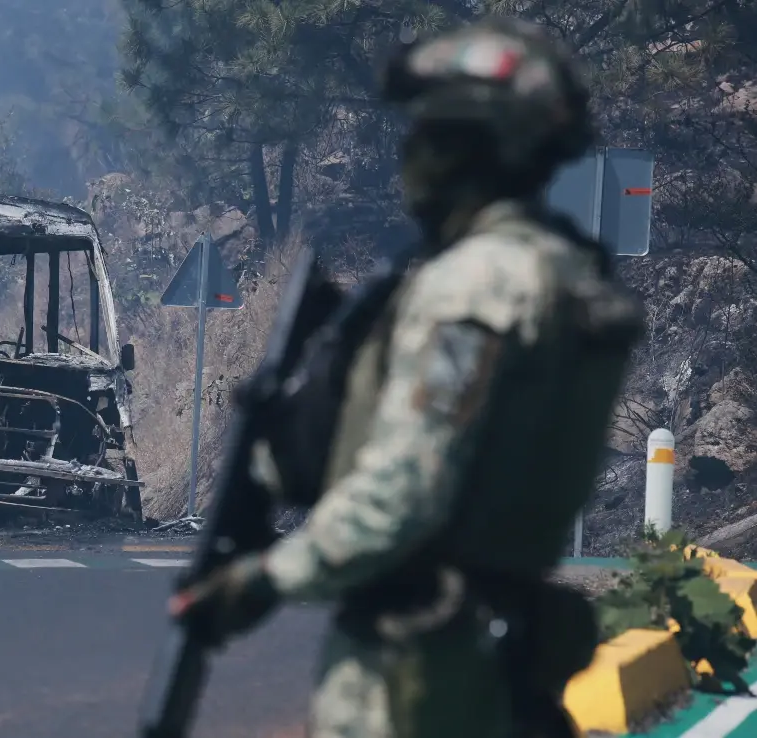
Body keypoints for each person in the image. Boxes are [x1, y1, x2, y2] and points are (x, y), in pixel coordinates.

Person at [168, 16, 644, 738]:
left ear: (465, 147)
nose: (411, 158)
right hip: (500, 652)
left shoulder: (474, 290)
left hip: (418, 674)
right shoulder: (568, 276)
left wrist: (263, 580)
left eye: (427, 135)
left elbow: (407, 490)